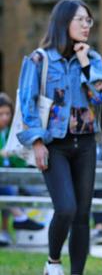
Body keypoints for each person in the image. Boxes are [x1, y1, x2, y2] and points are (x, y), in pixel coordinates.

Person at [16, 0, 102, 274]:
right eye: (80, 19)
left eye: (88, 20)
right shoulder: (39, 60)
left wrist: (84, 64)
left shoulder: (91, 59)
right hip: (53, 144)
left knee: (82, 214)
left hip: (85, 144)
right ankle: (53, 261)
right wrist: (36, 142)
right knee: (66, 207)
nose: (86, 25)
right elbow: (27, 104)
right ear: (62, 22)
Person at [0, 92, 45, 247]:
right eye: (1, 114)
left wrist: (17, 154)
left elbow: (15, 161)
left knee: (11, 184)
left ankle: (6, 230)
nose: (5, 117)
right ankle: (19, 218)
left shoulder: (9, 132)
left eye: (7, 113)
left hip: (9, 175)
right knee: (6, 185)